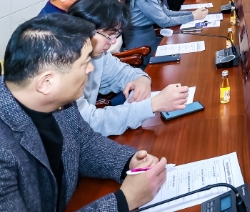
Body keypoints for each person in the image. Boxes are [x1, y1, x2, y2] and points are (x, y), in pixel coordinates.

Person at [0, 15, 168, 211]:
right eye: (84, 63)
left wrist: (127, 162)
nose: (91, 68)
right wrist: (124, 201)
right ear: (46, 82)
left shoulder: (59, 101)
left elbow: (84, 143)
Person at [67, 0, 190, 136]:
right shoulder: (62, 68)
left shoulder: (98, 55)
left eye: (116, 35)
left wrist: (142, 79)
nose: (113, 42)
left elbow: (124, 72)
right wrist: (153, 104)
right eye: (109, 35)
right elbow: (88, 123)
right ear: (86, 29)